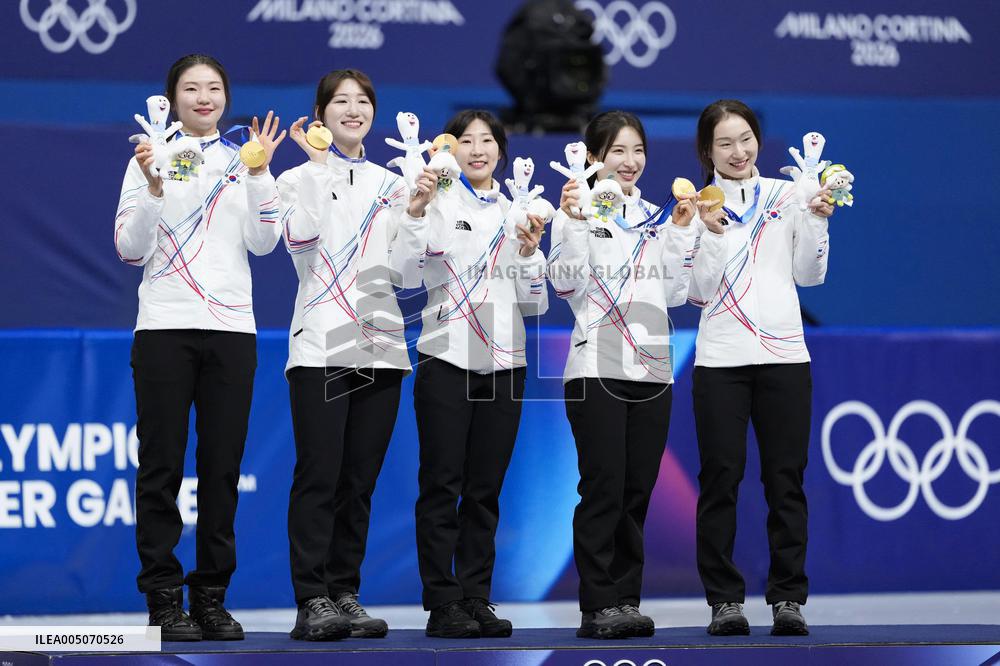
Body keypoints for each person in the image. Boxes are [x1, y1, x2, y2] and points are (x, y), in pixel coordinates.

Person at [114, 53, 285, 641]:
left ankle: (211, 597)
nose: (203, 97)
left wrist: (261, 174)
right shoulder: (147, 155)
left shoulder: (245, 162)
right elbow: (130, 250)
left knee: (222, 469)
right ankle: (163, 599)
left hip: (232, 331)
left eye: (213, 88)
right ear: (173, 97)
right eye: (191, 88)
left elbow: (265, 244)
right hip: (163, 327)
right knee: (160, 467)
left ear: (226, 98)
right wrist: (156, 187)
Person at [548, 111, 727, 638]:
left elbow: (674, 293)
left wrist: (679, 232)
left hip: (652, 371)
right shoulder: (575, 208)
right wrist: (577, 220)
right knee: (603, 487)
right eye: (619, 151)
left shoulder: (657, 215)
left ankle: (626, 598)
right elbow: (563, 283)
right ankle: (597, 603)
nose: (631, 161)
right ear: (596, 156)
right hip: (595, 365)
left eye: (638, 151)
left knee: (636, 491)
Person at [277, 69, 436, 641]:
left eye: (363, 101)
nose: (353, 109)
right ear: (319, 113)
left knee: (359, 481)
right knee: (319, 475)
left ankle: (344, 593)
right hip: (320, 339)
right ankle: (311, 599)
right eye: (340, 101)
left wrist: (416, 213)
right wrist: (319, 168)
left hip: (382, 345)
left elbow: (408, 272)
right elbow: (299, 243)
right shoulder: (294, 178)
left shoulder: (392, 183)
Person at [688, 99, 835, 637]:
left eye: (745, 138)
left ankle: (788, 598)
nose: (737, 151)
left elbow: (810, 276)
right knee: (721, 479)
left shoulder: (788, 194)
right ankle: (724, 601)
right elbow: (697, 292)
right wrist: (709, 233)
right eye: (724, 143)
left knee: (785, 480)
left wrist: (817, 222)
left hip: (784, 358)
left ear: (759, 141)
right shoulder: (694, 205)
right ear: (707, 151)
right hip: (721, 360)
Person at [413, 110, 548, 638]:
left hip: (505, 363)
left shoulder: (520, 211)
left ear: (501, 150)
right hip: (445, 357)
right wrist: (425, 199)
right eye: (465, 140)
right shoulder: (436, 202)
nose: (477, 149)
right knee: (441, 484)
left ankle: (475, 595)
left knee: (485, 488)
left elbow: (534, 304)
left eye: (487, 140)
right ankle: (442, 600)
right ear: (450, 149)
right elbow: (412, 267)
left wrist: (531, 255)